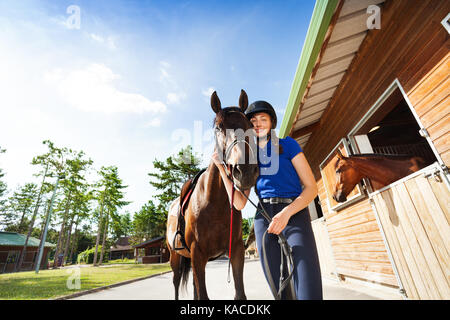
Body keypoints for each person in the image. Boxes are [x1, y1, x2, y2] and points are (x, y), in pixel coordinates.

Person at [212, 100, 323, 300]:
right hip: (264, 219)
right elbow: (239, 203)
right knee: (279, 290)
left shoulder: (288, 144)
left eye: (263, 119)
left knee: (308, 286)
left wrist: (286, 214)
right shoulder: (248, 156)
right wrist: (221, 169)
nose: (258, 123)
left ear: (272, 122)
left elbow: (311, 188)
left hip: (294, 212)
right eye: (253, 120)